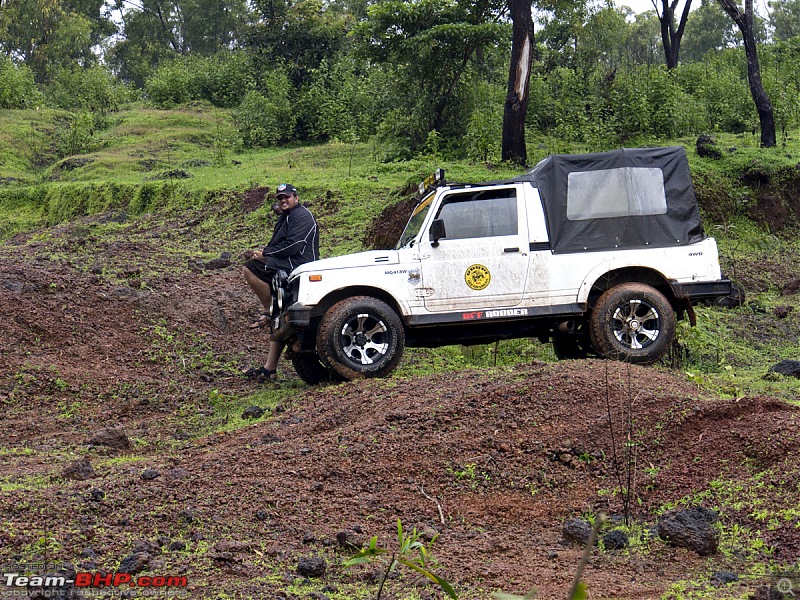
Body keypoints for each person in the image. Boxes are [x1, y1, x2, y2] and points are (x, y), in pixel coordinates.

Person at [242, 183, 319, 381]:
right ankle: (270, 368)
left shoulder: (301, 216)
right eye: (280, 198)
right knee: (280, 310)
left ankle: (268, 310)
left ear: (296, 197)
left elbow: (294, 245)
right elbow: (276, 244)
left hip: (297, 264)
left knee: (250, 268)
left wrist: (265, 254)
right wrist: (264, 253)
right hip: (285, 264)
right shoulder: (285, 217)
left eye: (287, 197)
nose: (283, 200)